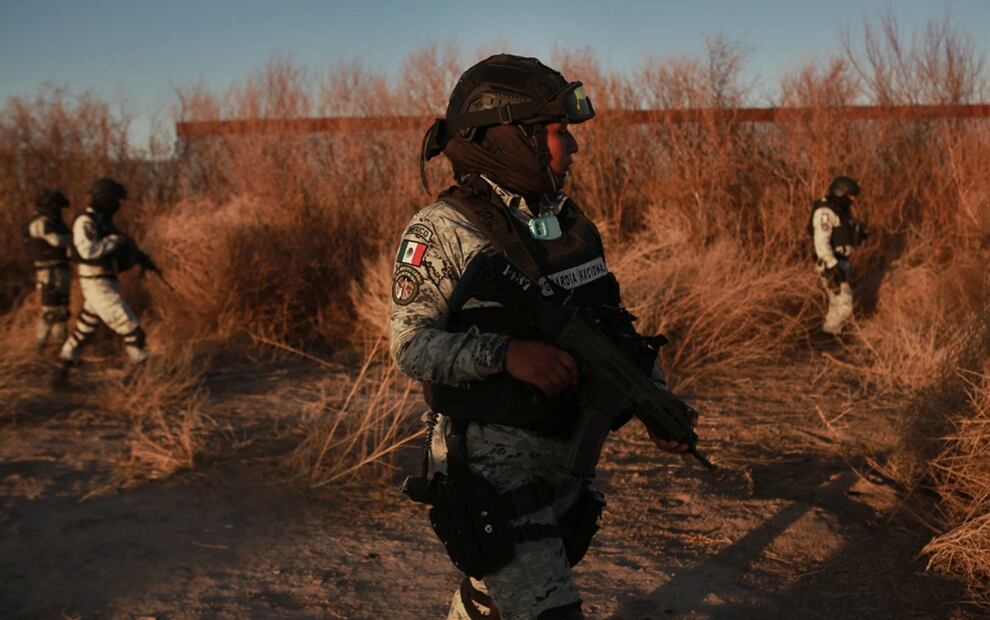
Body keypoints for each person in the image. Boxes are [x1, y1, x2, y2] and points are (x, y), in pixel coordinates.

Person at [390, 54, 690, 620]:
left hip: (564, 455)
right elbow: (410, 345)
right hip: (492, 467)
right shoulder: (443, 229)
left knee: (490, 595)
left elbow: (613, 326)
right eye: (558, 133)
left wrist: (655, 398)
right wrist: (505, 355)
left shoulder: (566, 222)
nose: (572, 147)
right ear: (511, 137)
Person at [58, 178, 154, 377]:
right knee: (131, 329)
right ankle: (142, 374)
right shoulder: (85, 221)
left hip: (106, 282)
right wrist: (115, 241)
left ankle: (63, 368)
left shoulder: (104, 222)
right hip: (96, 284)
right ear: (105, 199)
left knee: (85, 330)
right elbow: (88, 251)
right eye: (114, 200)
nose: (117, 205)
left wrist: (140, 258)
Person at [809, 176, 867, 335]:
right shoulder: (825, 212)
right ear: (840, 192)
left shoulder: (841, 211)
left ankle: (830, 336)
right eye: (850, 195)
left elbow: (843, 234)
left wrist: (859, 235)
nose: (853, 199)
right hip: (830, 264)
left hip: (842, 263)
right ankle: (829, 333)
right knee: (844, 304)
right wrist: (832, 266)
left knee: (837, 303)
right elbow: (821, 243)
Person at [24, 189, 73, 353]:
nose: (58, 208)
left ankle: (60, 345)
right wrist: (74, 238)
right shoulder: (40, 222)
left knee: (62, 308)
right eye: (55, 205)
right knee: (50, 310)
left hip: (60, 268)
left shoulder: (54, 222)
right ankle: (40, 346)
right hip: (48, 271)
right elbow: (56, 241)